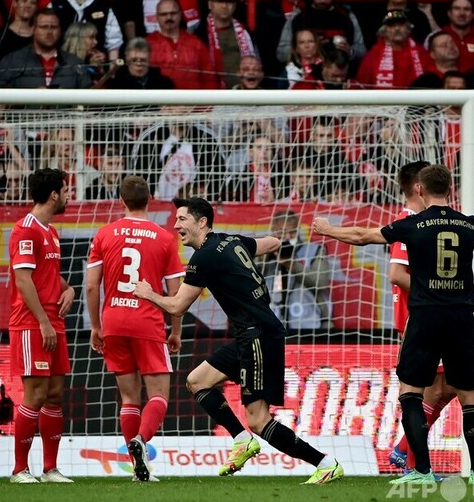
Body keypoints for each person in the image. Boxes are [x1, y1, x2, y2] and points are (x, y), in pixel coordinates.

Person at [311, 164, 474, 484]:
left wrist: (328, 229)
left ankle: (421, 470)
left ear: (420, 190)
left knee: (411, 392)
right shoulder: (468, 223)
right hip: (460, 318)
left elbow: (362, 236)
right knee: (470, 396)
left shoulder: (412, 224)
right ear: (450, 189)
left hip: (425, 317)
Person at [133, 197, 344, 484]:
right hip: (252, 333)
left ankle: (325, 463)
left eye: (182, 219)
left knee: (258, 420)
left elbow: (177, 307)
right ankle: (242, 440)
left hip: (258, 335)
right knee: (197, 381)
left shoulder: (204, 257)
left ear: (202, 222)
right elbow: (272, 242)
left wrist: (148, 294)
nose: (176, 225)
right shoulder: (230, 240)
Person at [85, 176, 185, 482]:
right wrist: (176, 330)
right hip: (147, 322)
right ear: (150, 199)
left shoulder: (104, 234)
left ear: (121, 201)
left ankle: (137, 469)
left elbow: (91, 286)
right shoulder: (164, 238)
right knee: (159, 395)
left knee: (129, 398)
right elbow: (175, 290)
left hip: (114, 321)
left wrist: (96, 326)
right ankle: (141, 440)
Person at [385, 161, 458, 474]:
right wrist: (438, 291)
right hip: (419, 318)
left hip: (431, 316)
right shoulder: (409, 222)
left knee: (451, 386)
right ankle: (412, 462)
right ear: (420, 188)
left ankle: (404, 450)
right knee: (430, 390)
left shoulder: (423, 223)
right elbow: (396, 274)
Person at [8, 168, 76, 484]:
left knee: (55, 394)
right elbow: (23, 280)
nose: (69, 196)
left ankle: (50, 469)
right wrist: (43, 321)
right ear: (53, 195)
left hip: (52, 322)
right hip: (31, 323)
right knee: (34, 395)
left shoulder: (51, 231)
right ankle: (19, 470)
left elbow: (47, 275)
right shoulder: (26, 229)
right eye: (66, 190)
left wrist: (69, 288)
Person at [260, 210, 332, 331]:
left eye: (292, 232)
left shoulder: (314, 250)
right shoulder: (265, 254)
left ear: (298, 230)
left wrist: (292, 264)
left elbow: (320, 283)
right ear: (274, 232)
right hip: (271, 325)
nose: (287, 237)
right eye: (282, 232)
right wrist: (267, 253)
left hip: (308, 323)